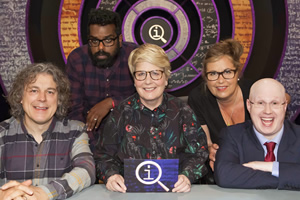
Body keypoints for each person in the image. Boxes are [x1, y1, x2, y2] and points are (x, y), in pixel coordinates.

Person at [94, 43, 208, 193]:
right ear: (134, 80)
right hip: (129, 194)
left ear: (166, 77)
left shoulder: (183, 112)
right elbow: (103, 156)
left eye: (155, 73)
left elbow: (199, 154)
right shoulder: (120, 113)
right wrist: (111, 175)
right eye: (141, 74)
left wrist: (186, 176)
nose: (148, 81)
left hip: (174, 193)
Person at [0, 63, 95, 200]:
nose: (42, 98)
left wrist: (44, 193)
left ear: (59, 99)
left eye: (50, 92)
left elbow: (87, 170)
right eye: (34, 90)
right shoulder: (2, 133)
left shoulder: (75, 131)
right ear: (20, 97)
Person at [66, 9, 138, 151]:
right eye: (94, 41)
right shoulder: (77, 59)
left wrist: (112, 102)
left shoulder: (134, 56)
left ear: (120, 40)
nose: (100, 47)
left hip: (133, 138)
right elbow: (74, 112)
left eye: (108, 40)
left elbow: (150, 98)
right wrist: (93, 149)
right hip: (90, 141)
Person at [214, 78, 300, 190]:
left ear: (284, 106)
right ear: (249, 106)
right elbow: (224, 174)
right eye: (260, 103)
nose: (268, 111)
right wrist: (286, 178)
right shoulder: (232, 135)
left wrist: (270, 167)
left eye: (274, 103)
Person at [188, 39, 253, 173]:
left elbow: (282, 97)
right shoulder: (198, 98)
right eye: (213, 74)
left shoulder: (255, 92)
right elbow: (207, 143)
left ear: (238, 73)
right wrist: (210, 151)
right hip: (224, 170)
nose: (220, 80)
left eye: (227, 72)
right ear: (205, 77)